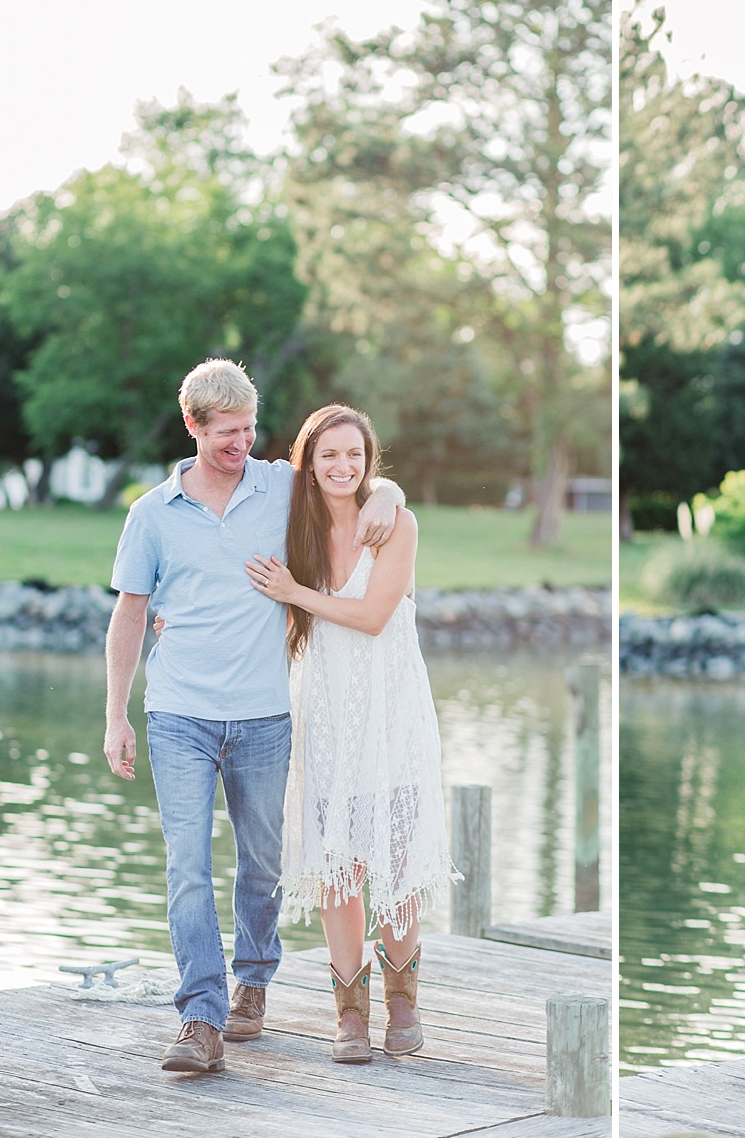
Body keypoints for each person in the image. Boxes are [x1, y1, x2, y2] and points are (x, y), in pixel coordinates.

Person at [103, 359, 397, 1074]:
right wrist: (116, 715)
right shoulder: (151, 514)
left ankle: (254, 976)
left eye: (249, 430)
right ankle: (199, 1017)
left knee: (261, 863)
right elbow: (130, 615)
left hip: (265, 715)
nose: (241, 444)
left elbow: (344, 472)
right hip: (178, 715)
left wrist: (388, 488)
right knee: (187, 866)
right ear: (192, 425)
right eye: (227, 434)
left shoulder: (279, 485)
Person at [242, 404, 449, 1066]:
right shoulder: (291, 528)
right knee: (338, 868)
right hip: (325, 713)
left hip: (390, 712)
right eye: (328, 454)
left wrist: (297, 592)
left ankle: (404, 1002)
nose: (343, 466)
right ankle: (349, 1014)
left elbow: (371, 614)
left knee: (395, 863)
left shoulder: (392, 521)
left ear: (369, 459)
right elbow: (256, 600)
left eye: (355, 455)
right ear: (308, 461)